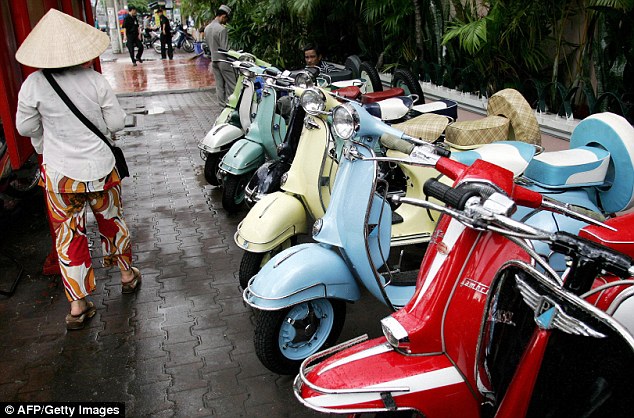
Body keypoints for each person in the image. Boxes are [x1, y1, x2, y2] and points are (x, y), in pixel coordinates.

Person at [15, 9, 141, 330]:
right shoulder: (95, 81)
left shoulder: (33, 85)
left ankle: (77, 306)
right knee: (112, 222)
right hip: (100, 169)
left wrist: (47, 140)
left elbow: (24, 126)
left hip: (59, 177)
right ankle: (127, 276)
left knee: (69, 236)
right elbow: (116, 123)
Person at [204, 5, 236, 106]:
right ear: (223, 16)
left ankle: (222, 107)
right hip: (224, 61)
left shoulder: (207, 28)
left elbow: (208, 46)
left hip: (214, 61)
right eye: (226, 19)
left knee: (219, 86)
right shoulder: (222, 29)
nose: (226, 22)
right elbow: (225, 49)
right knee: (232, 85)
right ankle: (233, 106)